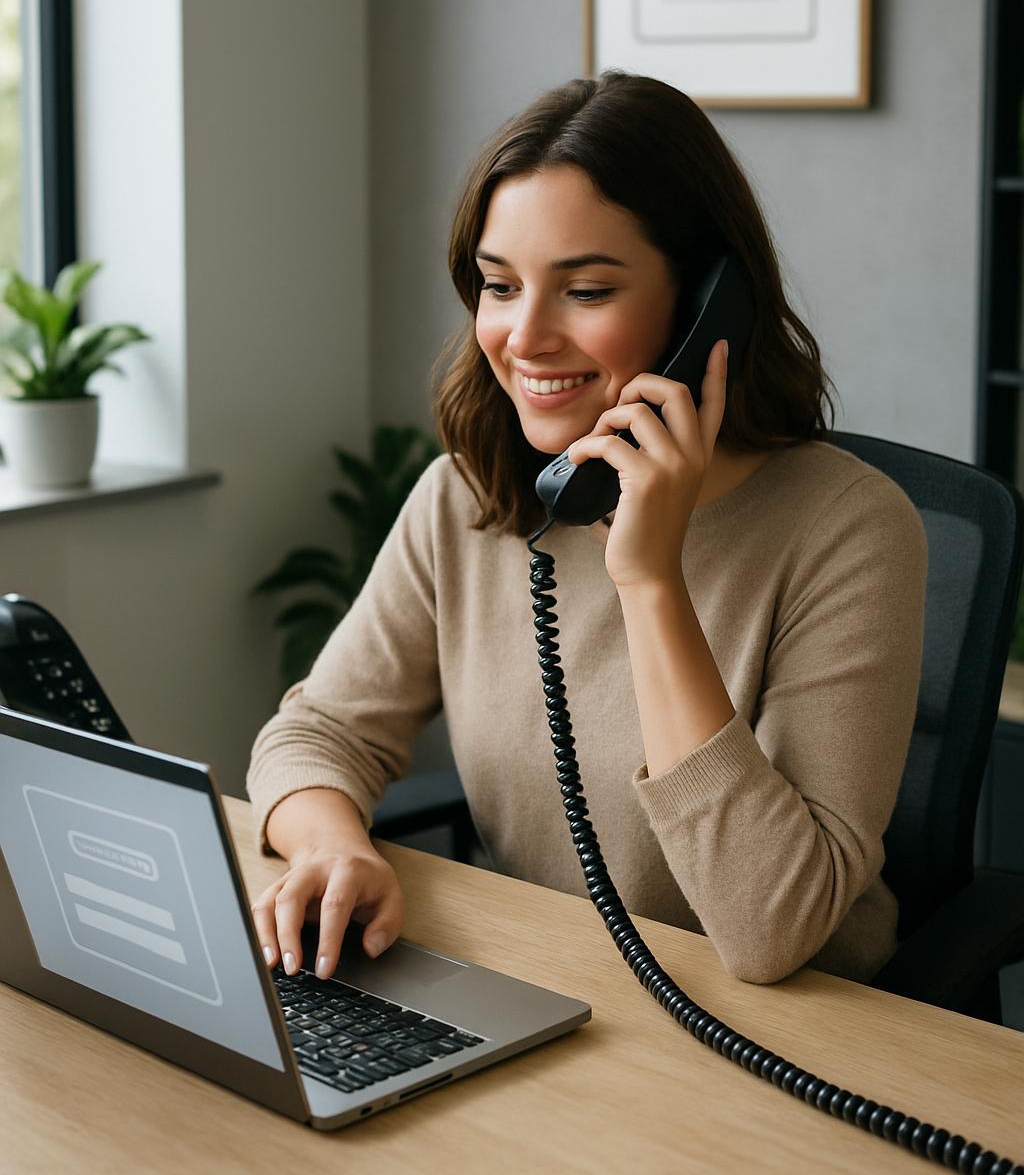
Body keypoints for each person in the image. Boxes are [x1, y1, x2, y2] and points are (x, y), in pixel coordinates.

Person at [246, 71, 927, 990]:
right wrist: (333, 846)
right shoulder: (467, 497)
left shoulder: (846, 529)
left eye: (587, 291)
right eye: (498, 285)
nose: (523, 337)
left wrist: (650, 579)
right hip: (552, 985)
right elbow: (318, 730)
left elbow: (774, 929)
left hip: (803, 1035)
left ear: (702, 307)